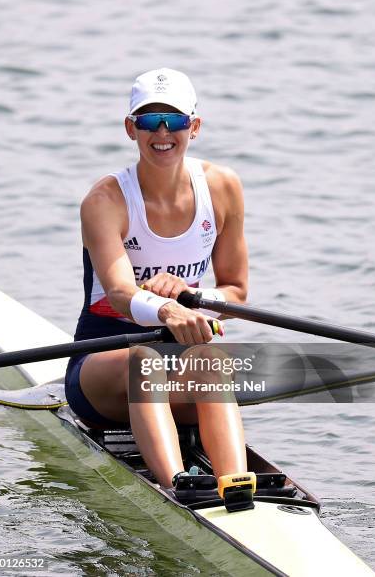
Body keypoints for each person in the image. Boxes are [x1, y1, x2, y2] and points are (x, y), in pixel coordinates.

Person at [65, 68, 249, 489]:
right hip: (102, 362)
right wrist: (166, 308)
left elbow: (236, 292)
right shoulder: (106, 199)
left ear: (195, 127)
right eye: (148, 120)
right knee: (143, 361)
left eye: (175, 120)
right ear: (131, 129)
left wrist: (190, 296)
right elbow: (117, 293)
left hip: (180, 361)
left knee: (213, 361)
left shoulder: (223, 187)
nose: (162, 132)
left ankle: (237, 484)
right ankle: (179, 484)